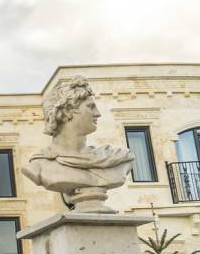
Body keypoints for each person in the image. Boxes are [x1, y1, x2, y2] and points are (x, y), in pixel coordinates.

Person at [21, 76, 132, 213]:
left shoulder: (115, 159)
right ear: (66, 111)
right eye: (90, 107)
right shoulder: (38, 167)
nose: (98, 114)